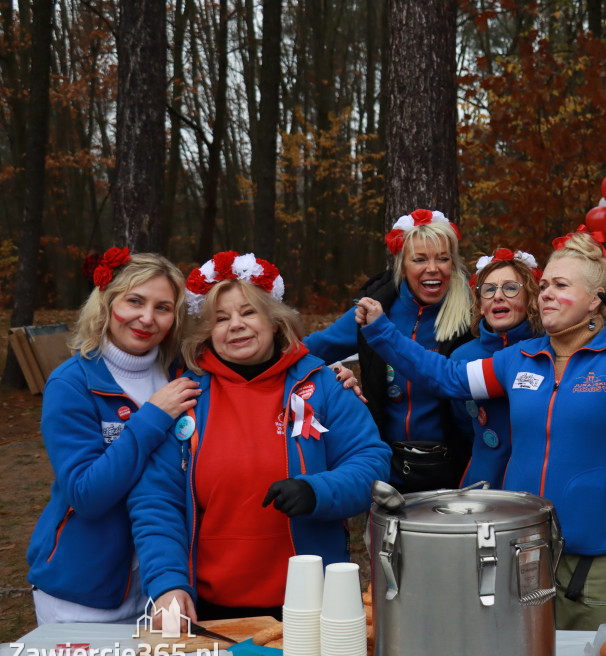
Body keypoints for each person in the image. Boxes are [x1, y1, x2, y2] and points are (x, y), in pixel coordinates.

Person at [356, 228, 606, 629]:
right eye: (543, 285)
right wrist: (382, 331)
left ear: (596, 299)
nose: (544, 292)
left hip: (598, 559)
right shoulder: (520, 358)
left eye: (560, 285)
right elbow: (447, 377)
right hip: (523, 551)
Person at [128, 252, 391, 622]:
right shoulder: (185, 397)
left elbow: (371, 464)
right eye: (221, 318)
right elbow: (156, 501)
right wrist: (168, 583)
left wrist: (318, 490)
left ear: (274, 320)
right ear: (207, 332)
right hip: (211, 606)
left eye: (248, 312)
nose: (236, 325)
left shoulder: (324, 385)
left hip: (314, 599)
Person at [26, 250, 201, 624]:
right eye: (134, 301)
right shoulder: (71, 384)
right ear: (106, 302)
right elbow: (87, 494)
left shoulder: (184, 375)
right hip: (84, 594)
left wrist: (330, 379)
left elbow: (262, 356)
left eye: (163, 307)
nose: (147, 318)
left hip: (168, 587)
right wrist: (153, 416)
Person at [305, 209, 474, 491]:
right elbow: (312, 348)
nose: (432, 268)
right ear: (402, 265)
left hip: (455, 470)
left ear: (453, 264)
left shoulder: (473, 313)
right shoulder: (374, 309)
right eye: (419, 259)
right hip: (387, 469)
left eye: (442, 258)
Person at [451, 248, 544, 487]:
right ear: (481, 304)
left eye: (511, 288)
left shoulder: (550, 351)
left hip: (536, 485)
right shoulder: (462, 357)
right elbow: (462, 424)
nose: (498, 296)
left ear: (530, 298)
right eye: (489, 290)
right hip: (482, 484)